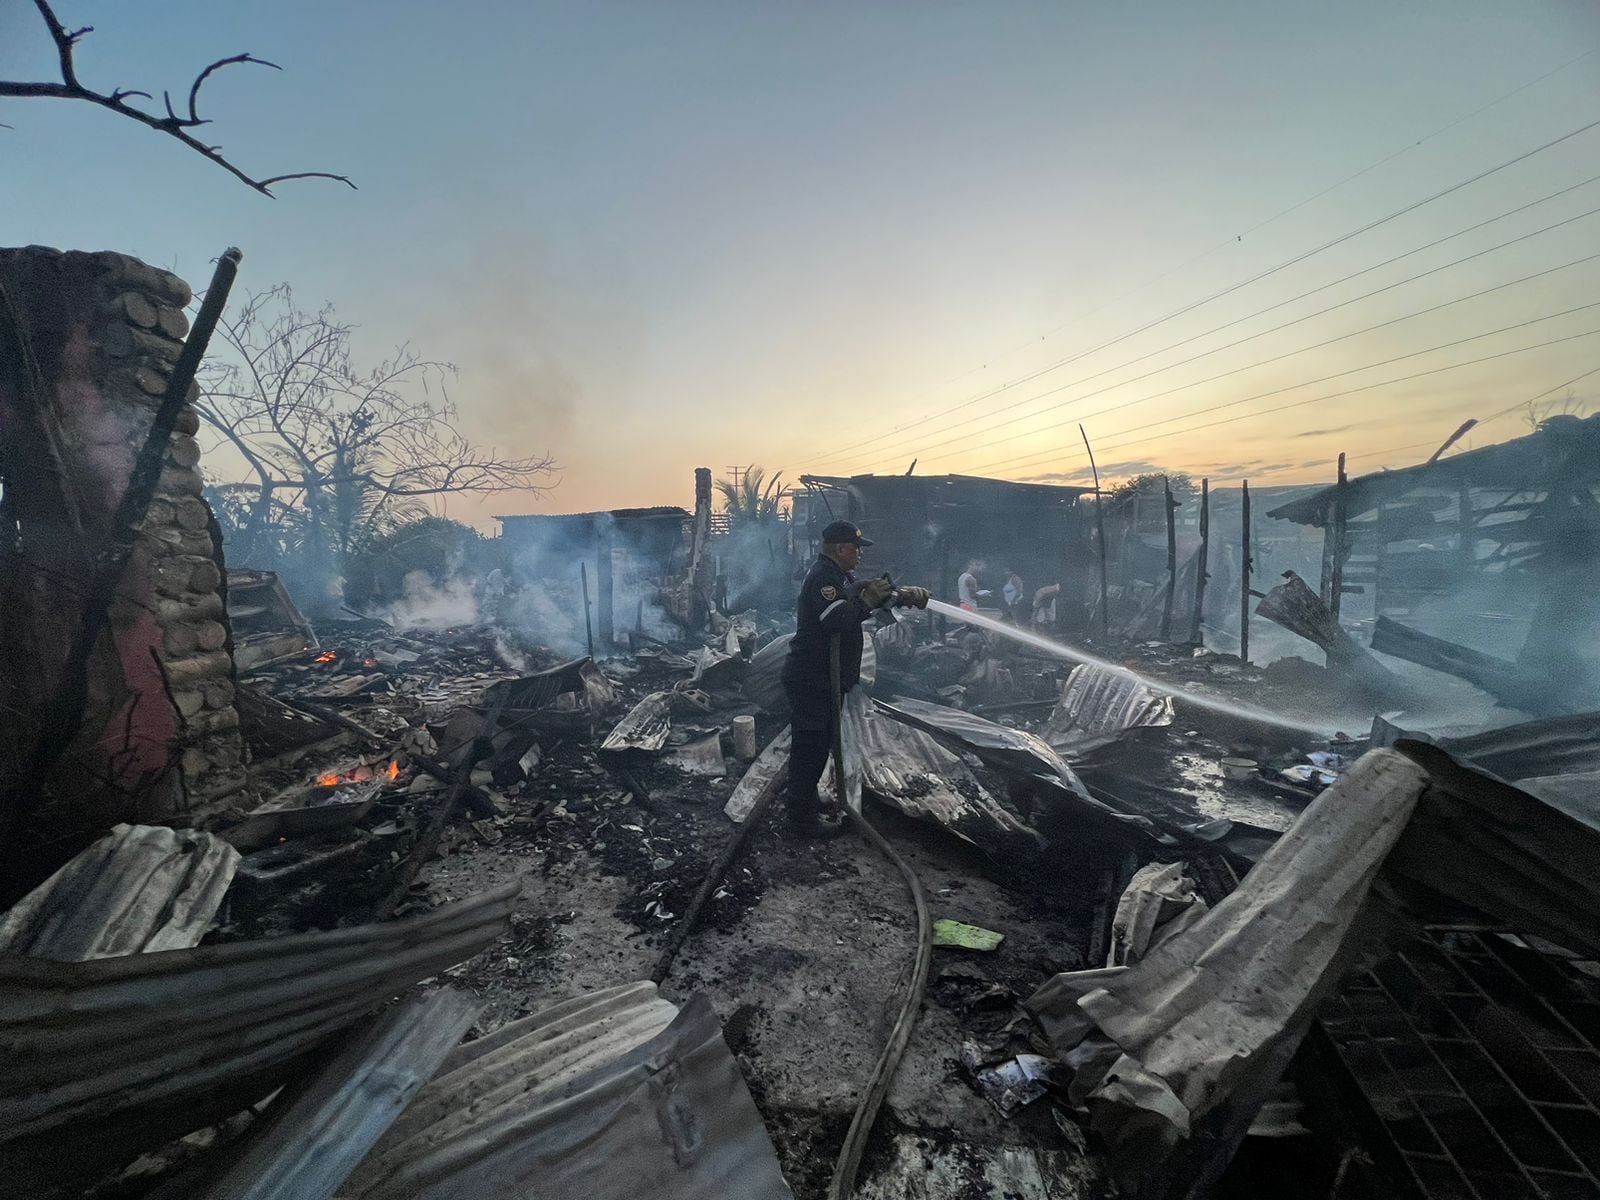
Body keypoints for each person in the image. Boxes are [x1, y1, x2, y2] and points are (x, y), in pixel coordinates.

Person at [781, 521, 929, 835]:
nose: (860, 554)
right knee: (811, 747)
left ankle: (803, 800)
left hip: (824, 678)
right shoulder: (824, 578)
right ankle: (800, 820)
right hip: (813, 677)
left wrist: (901, 596)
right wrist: (865, 603)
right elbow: (836, 618)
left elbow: (861, 594)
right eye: (857, 548)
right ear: (841, 548)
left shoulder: (838, 576)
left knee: (818, 744)